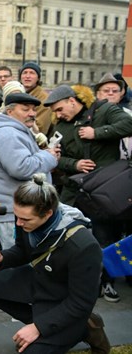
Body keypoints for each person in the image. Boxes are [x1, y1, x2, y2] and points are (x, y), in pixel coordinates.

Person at [0, 174, 110, 354]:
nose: (19, 223)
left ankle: (85, 327)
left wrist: (38, 327)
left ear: (48, 213)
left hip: (66, 302)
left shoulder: (84, 245)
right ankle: (42, 324)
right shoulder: (25, 216)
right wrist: (1, 258)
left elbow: (81, 303)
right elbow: (23, 251)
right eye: (17, 217)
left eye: (25, 220)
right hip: (39, 282)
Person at [44, 83, 132, 303]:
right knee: (62, 232)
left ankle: (106, 282)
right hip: (74, 190)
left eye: (59, 109)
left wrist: (97, 133)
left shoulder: (104, 110)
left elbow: (128, 124)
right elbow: (53, 156)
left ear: (72, 101)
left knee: (105, 237)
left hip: (103, 190)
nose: (57, 114)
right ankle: (67, 280)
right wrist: (75, 164)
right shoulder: (61, 125)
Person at [0, 92, 59, 250]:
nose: (32, 113)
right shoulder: (8, 134)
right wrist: (48, 156)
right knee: (16, 263)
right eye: (25, 109)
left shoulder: (15, 131)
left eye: (33, 109)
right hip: (15, 214)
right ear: (10, 112)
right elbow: (21, 168)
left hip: (20, 212)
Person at [18, 62, 54, 137]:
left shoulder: (44, 99)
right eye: (24, 73)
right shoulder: (18, 94)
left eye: (32, 73)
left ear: (38, 78)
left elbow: (40, 128)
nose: (27, 76)